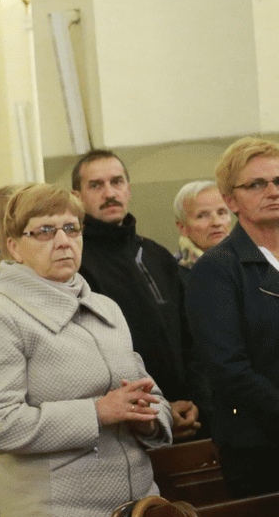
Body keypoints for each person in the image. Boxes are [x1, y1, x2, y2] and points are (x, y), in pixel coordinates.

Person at [0, 184, 171, 517]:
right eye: (44, 231)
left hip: (133, 515)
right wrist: (98, 412)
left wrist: (150, 418)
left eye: (71, 229)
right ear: (14, 246)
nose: (62, 241)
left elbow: (148, 392)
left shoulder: (106, 308)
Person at [72, 149, 205, 440]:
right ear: (77, 196)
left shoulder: (156, 253)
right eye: (96, 185)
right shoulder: (76, 262)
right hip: (130, 421)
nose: (109, 193)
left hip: (189, 409)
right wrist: (159, 410)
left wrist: (196, 399)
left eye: (117, 182)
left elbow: (190, 334)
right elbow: (94, 355)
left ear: (128, 190)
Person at [187, 137, 279, 498]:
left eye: (278, 181)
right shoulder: (216, 270)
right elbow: (228, 369)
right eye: (257, 184)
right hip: (260, 448)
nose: (272, 191)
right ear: (230, 200)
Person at [173, 180, 233, 284]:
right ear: (182, 227)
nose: (217, 222)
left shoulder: (251, 262)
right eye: (202, 215)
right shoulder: (171, 274)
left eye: (221, 212)